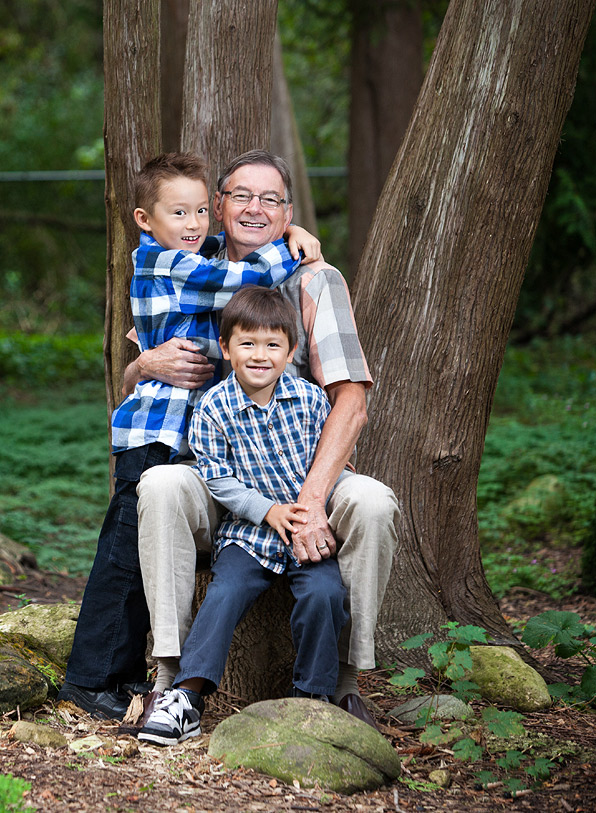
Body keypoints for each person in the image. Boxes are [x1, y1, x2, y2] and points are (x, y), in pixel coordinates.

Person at [134, 150, 399, 729]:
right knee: (160, 485)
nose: (254, 209)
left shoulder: (315, 278)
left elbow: (351, 400)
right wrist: (142, 364)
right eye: (240, 196)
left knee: (374, 502)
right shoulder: (186, 262)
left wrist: (309, 503)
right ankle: (168, 682)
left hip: (304, 469)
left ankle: (347, 684)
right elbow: (140, 358)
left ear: (288, 214)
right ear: (218, 205)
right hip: (223, 470)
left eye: (271, 200)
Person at [57, 152, 320, 719]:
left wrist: (285, 224)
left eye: (202, 210)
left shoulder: (179, 255)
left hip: (174, 435)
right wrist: (292, 241)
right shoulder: (171, 263)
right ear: (145, 219)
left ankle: (119, 675)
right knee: (125, 559)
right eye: (181, 212)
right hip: (156, 435)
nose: (196, 223)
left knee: (135, 553)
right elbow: (244, 279)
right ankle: (92, 678)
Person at [137, 286, 349, 745]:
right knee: (224, 592)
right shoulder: (213, 407)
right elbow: (217, 476)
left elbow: (328, 463)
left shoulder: (312, 401)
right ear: (227, 348)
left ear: (291, 352)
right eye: (247, 343)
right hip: (248, 535)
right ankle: (187, 696)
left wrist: (309, 512)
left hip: (304, 534)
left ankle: (312, 700)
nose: (260, 355)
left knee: (325, 595)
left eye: (273, 344)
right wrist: (267, 510)